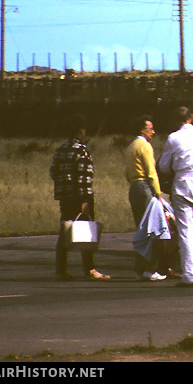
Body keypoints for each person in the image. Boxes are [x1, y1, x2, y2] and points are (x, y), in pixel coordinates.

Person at [157, 106, 193, 287]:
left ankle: (190, 274)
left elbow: (165, 166)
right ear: (191, 117)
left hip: (184, 182)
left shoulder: (174, 138)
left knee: (185, 230)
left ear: (175, 121)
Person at [50, 114, 109, 281]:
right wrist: (85, 199)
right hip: (80, 197)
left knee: (65, 232)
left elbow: (53, 171)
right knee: (87, 232)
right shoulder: (81, 150)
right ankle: (89, 268)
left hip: (65, 196)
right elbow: (84, 176)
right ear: (80, 131)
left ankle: (61, 269)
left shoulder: (60, 150)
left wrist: (64, 186)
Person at [125, 114, 171, 281]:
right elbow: (151, 172)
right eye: (150, 128)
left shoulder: (131, 146)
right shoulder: (145, 146)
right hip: (145, 187)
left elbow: (127, 172)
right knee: (152, 229)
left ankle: (140, 269)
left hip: (134, 187)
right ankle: (150, 270)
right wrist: (158, 193)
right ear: (142, 130)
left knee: (141, 229)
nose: (153, 131)